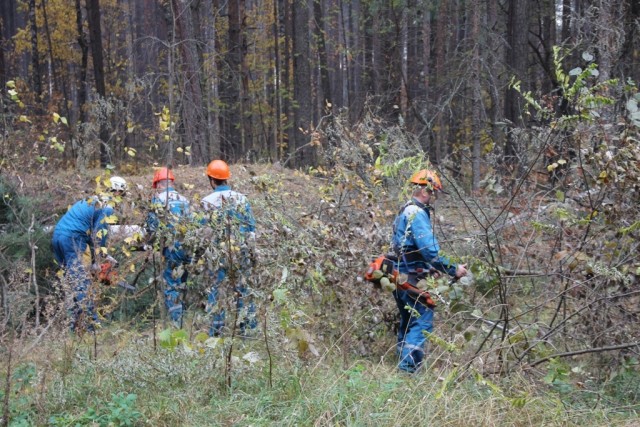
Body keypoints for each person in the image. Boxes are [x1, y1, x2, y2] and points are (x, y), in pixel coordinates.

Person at [391, 169, 467, 373]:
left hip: (400, 274)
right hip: (411, 277)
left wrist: (430, 267)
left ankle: (402, 368)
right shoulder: (416, 214)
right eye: (435, 193)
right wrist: (453, 269)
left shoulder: (405, 210)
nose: (435, 198)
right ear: (426, 191)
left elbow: (406, 248)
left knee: (409, 321)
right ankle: (407, 372)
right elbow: (428, 249)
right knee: (422, 321)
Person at [52, 176, 127, 331]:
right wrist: (99, 259)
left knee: (73, 281)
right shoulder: (106, 205)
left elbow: (92, 235)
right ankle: (91, 327)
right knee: (81, 283)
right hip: (73, 238)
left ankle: (74, 327)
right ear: (118, 191)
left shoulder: (91, 199)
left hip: (58, 237)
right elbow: (100, 233)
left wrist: (97, 259)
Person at [201, 160, 257, 337]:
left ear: (211, 180)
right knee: (244, 290)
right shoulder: (242, 198)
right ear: (226, 179)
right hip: (240, 251)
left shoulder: (207, 202)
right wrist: (252, 253)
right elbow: (251, 229)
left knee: (217, 290)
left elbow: (203, 231)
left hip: (218, 254)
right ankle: (247, 329)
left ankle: (216, 332)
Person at [147, 167, 191, 328]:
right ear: (171, 182)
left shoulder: (158, 200)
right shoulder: (184, 200)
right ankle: (184, 319)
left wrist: (153, 245)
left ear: (158, 184)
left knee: (171, 285)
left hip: (172, 249)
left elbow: (152, 227)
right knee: (182, 284)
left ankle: (176, 323)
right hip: (187, 248)